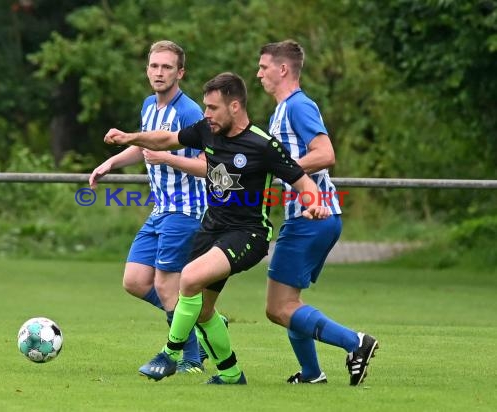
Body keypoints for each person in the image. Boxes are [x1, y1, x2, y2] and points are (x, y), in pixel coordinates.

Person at [104, 72, 331, 384]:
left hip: (249, 233)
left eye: (212, 108)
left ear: (234, 106)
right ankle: (230, 373)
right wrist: (132, 137)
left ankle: (170, 354)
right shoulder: (207, 131)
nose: (206, 114)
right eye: (205, 107)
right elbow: (167, 139)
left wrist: (315, 202)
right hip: (211, 229)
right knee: (203, 311)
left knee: (190, 278)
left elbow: (303, 181)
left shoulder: (263, 145)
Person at [257, 39, 379, 386]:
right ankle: (311, 374)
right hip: (309, 217)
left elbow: (325, 153)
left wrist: (283, 167)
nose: (259, 74)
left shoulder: (299, 106)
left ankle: (356, 343)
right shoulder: (281, 110)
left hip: (312, 217)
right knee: (289, 304)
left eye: (263, 67)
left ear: (283, 69)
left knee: (278, 308)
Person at [89, 40, 206, 373]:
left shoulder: (189, 111)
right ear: (147, 70)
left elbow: (209, 166)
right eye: (154, 66)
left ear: (180, 72)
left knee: (166, 286)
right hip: (160, 210)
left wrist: (167, 156)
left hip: (185, 209)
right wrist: (111, 162)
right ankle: (199, 323)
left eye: (167, 67)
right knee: (135, 281)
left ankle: (192, 359)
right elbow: (141, 147)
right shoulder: (149, 106)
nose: (159, 72)